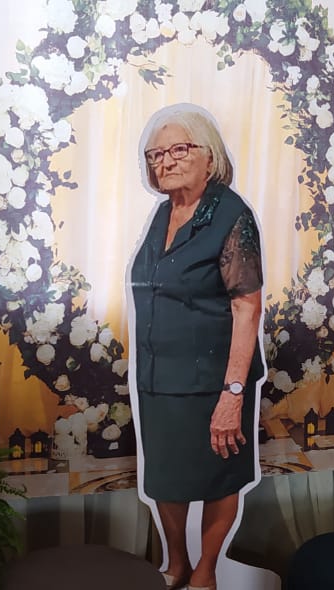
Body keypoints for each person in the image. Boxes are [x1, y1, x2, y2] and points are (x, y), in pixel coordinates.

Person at [128, 104, 265, 590]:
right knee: (166, 477)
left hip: (213, 381)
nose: (165, 161)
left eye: (179, 149)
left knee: (217, 476)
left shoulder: (230, 215)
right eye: (155, 154)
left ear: (210, 156)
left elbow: (247, 307)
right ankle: (178, 563)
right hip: (159, 378)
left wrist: (233, 393)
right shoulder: (164, 213)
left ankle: (205, 571)